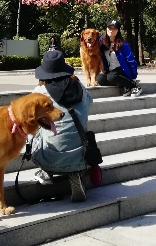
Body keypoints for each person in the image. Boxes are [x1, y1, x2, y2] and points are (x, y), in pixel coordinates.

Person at [31, 50, 94, 202]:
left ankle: (46, 171)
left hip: (50, 156)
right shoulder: (79, 87)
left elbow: (29, 116)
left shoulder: (39, 93)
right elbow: (89, 104)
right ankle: (75, 174)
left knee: (37, 127)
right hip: (81, 157)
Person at [96, 19, 142, 97]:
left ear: (118, 31)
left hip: (122, 70)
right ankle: (125, 85)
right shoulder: (101, 42)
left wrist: (133, 77)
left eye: (114, 29)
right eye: (110, 28)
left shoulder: (123, 45)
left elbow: (131, 61)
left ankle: (134, 86)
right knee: (100, 78)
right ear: (106, 29)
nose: (111, 30)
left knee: (111, 77)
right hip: (111, 71)